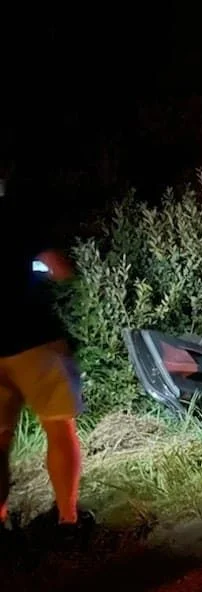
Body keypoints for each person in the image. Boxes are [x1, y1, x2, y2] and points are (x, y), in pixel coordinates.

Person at [0, 177, 90, 542]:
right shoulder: (12, 215)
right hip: (33, 339)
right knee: (58, 428)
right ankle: (68, 520)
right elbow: (59, 268)